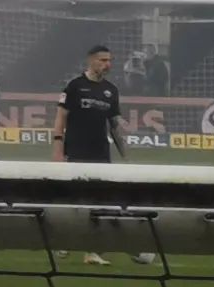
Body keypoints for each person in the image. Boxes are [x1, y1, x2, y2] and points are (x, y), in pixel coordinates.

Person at [53, 46, 154, 266]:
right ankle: (66, 241)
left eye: (110, 60)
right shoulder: (75, 86)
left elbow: (114, 126)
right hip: (77, 153)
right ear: (91, 61)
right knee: (77, 202)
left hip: (101, 155)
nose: (107, 64)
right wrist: (58, 151)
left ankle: (92, 250)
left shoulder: (111, 90)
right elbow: (61, 117)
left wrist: (125, 156)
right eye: (103, 60)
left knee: (102, 202)